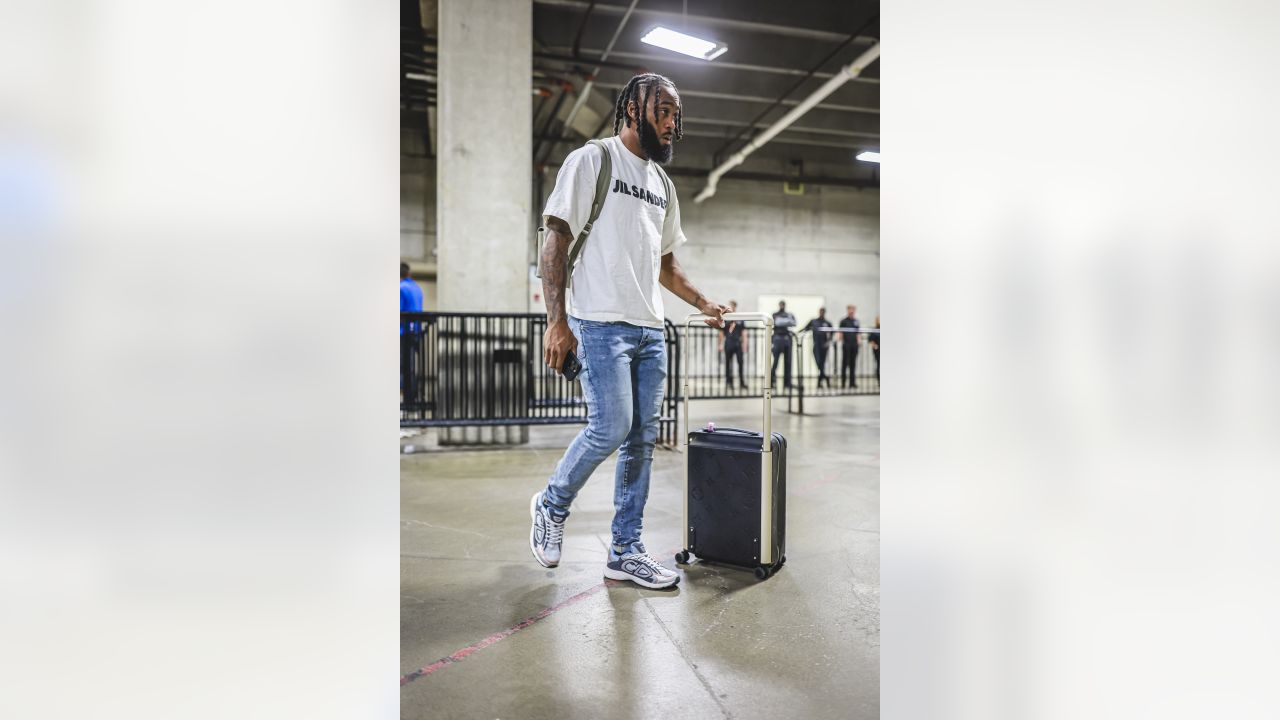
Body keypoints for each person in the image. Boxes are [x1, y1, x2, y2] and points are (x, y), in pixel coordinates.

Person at [530, 73, 729, 589]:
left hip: (648, 328)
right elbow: (554, 241)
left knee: (642, 440)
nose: (671, 121)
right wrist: (556, 322)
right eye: (663, 109)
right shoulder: (592, 161)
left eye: (675, 114)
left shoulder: (662, 185)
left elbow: (666, 264)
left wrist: (704, 301)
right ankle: (551, 504)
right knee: (611, 427)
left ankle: (625, 550)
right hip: (597, 323)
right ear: (632, 109)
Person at [399, 262, 424, 406]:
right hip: (415, 331)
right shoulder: (416, 287)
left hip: (403, 332)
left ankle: (404, 399)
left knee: (401, 365)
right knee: (409, 365)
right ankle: (410, 397)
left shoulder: (400, 288)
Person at [718, 300, 749, 390]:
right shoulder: (725, 318)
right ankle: (729, 382)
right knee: (728, 363)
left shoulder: (739, 318)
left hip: (738, 343)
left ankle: (741, 382)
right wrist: (720, 344)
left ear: (735, 307)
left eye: (733, 306)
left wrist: (745, 344)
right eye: (730, 306)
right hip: (728, 342)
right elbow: (721, 332)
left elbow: (744, 333)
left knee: (740, 363)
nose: (732, 308)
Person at [802, 307, 833, 388]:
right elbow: (805, 328)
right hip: (816, 345)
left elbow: (832, 333)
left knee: (822, 363)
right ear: (819, 312)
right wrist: (798, 333)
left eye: (823, 311)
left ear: (825, 312)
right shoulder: (814, 321)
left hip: (824, 346)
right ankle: (825, 377)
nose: (821, 313)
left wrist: (828, 342)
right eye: (820, 311)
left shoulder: (827, 323)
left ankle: (819, 383)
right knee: (818, 363)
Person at [770, 300, 797, 389]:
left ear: (785, 305)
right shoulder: (774, 314)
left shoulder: (789, 314)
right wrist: (786, 321)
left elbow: (794, 323)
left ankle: (787, 383)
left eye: (783, 305)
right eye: (781, 304)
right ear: (779, 305)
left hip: (787, 339)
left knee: (788, 362)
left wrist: (783, 321)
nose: (782, 306)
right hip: (777, 339)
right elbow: (777, 322)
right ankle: (771, 381)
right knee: (775, 361)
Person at [839, 304, 861, 388]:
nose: (851, 311)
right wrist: (841, 340)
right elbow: (840, 332)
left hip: (854, 345)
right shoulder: (843, 321)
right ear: (847, 310)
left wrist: (859, 341)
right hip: (846, 345)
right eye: (850, 309)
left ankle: (852, 382)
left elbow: (858, 333)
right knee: (845, 364)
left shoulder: (856, 321)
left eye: (853, 309)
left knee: (853, 364)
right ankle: (843, 383)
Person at [871, 315, 880, 382]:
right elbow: (871, 340)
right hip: (878, 351)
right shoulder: (875, 330)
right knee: (879, 365)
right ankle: (879, 380)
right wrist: (875, 346)